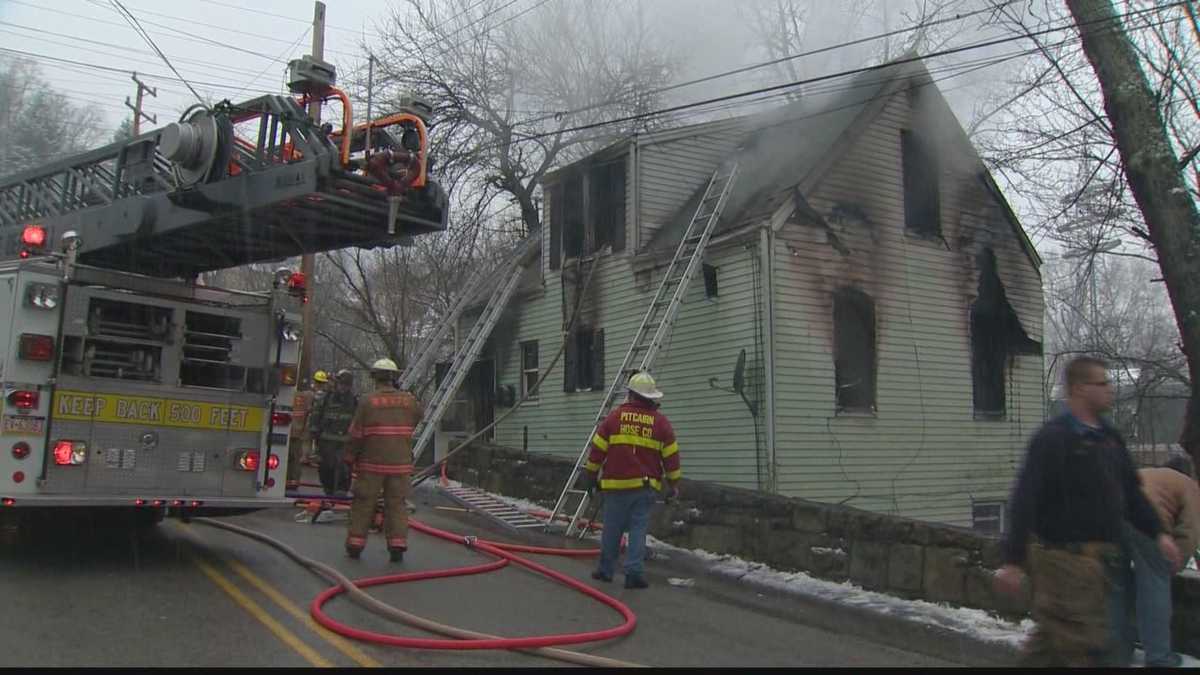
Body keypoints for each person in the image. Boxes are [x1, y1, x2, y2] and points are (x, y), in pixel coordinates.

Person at [994, 356, 1181, 666]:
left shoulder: (1108, 438)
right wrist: (1013, 560)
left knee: (1053, 649)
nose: (1110, 389)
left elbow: (1131, 494)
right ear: (1080, 389)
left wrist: (1159, 534)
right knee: (1085, 645)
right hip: (1063, 560)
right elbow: (1025, 497)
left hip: (1099, 562)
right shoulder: (1055, 439)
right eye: (1102, 383)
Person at [583, 371, 681, 589]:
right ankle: (634, 574)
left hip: (615, 486)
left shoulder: (614, 418)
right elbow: (671, 458)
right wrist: (674, 485)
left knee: (612, 529)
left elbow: (597, 451)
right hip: (644, 487)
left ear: (630, 394)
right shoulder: (661, 423)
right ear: (651, 398)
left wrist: (590, 476)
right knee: (638, 529)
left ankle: (606, 571)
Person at [1121, 454, 1200, 667]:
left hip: (1110, 516)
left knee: (1120, 584)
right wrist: (1176, 562)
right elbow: (1190, 532)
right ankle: (1159, 656)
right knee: (1156, 581)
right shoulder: (1189, 486)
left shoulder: (1153, 475)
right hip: (1146, 519)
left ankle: (1119, 649)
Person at [343, 358, 423, 562]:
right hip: (401, 464)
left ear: (375, 377)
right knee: (397, 504)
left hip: (371, 464)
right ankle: (397, 545)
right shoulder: (410, 401)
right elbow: (417, 418)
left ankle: (355, 544)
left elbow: (356, 434)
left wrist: (349, 456)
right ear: (394, 378)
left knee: (363, 503)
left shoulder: (367, 401)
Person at [309, 369, 357, 514]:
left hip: (345, 443)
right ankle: (329, 492)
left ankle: (340, 494)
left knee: (344, 468)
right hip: (326, 441)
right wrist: (314, 433)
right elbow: (316, 416)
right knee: (326, 467)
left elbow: (357, 420)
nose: (343, 387)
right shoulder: (325, 398)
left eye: (346, 385)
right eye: (341, 384)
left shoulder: (354, 401)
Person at [284, 377, 316, 492]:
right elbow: (309, 413)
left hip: (288, 431)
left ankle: (289, 480)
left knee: (289, 457)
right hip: (298, 431)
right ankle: (293, 481)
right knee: (295, 458)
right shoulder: (308, 395)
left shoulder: (287, 393)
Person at [304, 370, 330, 466]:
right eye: (320, 383)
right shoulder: (322, 395)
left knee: (310, 440)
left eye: (321, 383)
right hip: (314, 420)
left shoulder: (311, 393)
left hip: (315, 421)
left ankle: (309, 458)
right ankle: (308, 458)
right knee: (310, 440)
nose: (321, 385)